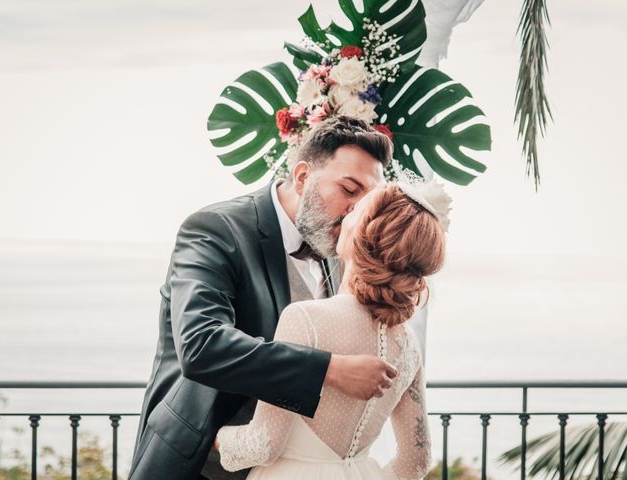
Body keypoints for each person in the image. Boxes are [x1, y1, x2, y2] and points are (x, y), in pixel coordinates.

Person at [128, 116, 400, 480]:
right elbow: (201, 345)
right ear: (303, 177)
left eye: (367, 201)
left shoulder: (338, 249)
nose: (357, 212)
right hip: (198, 464)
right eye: (349, 190)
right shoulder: (214, 229)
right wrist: (329, 370)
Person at [214, 181, 447, 479]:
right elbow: (417, 459)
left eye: (356, 211)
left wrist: (215, 438)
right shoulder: (407, 344)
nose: (345, 215)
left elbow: (264, 444)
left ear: (363, 234)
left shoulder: (305, 319)